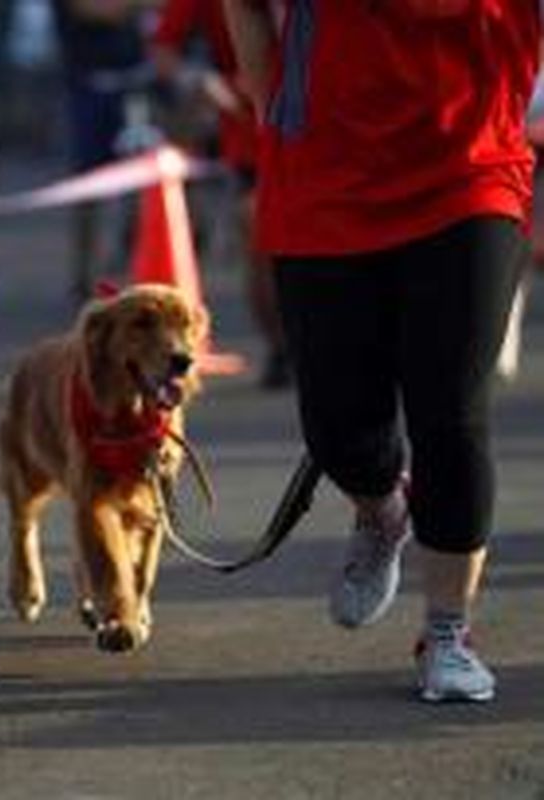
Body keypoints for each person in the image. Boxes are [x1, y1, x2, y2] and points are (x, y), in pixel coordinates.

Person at [224, 0, 537, 702]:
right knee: (338, 426)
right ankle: (381, 508)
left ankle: (448, 634)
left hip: (470, 174)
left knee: (450, 413)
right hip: (322, 183)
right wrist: (273, 101)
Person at [151, 0, 289, 389]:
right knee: (258, 230)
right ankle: (281, 345)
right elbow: (164, 50)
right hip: (250, 126)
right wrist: (200, 81)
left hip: (336, 121)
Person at [48, 0, 152, 300]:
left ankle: (136, 267)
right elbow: (97, 10)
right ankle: (84, 275)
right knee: (87, 186)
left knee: (141, 181)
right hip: (88, 90)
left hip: (134, 88)